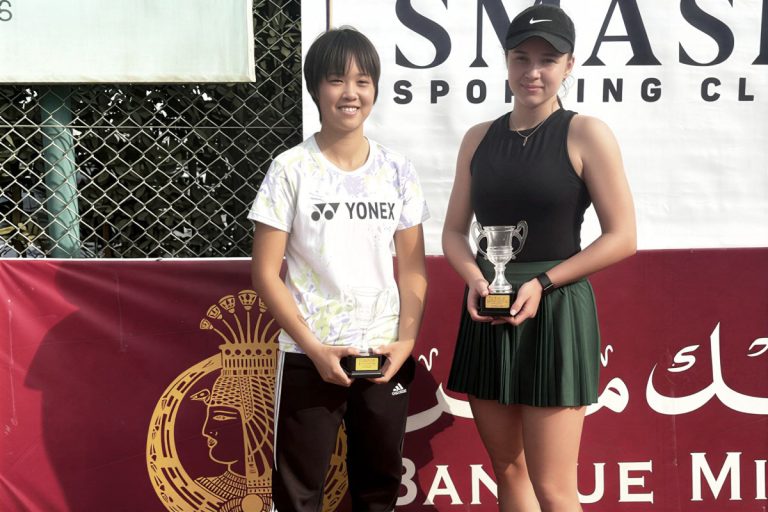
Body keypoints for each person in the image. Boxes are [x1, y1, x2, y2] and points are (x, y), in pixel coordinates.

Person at [443, 5, 636, 512]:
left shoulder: (586, 133)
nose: (533, 71)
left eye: (547, 60)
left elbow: (622, 237)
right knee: (508, 471)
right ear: (506, 62)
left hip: (555, 310)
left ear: (569, 65)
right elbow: (454, 233)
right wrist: (475, 280)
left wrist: (543, 283)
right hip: (489, 311)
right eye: (521, 58)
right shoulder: (478, 138)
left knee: (553, 486)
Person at [249, 27, 429, 512]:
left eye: (362, 81)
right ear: (315, 88)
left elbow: (413, 270)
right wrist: (315, 349)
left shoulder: (397, 171)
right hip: (309, 357)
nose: (351, 93)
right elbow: (264, 274)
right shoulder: (289, 169)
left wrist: (405, 342)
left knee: (378, 489)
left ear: (375, 90)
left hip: (383, 356)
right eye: (336, 80)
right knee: (298, 494)